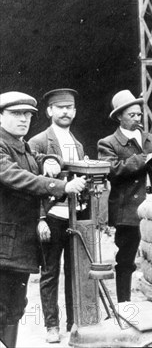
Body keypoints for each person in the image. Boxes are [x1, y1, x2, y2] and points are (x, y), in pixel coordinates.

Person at [0, 91, 86, 348]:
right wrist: (59, 186)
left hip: (18, 246)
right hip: (5, 245)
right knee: (4, 306)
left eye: (27, 114)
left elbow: (35, 159)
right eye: (16, 114)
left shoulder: (21, 145)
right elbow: (14, 176)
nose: (24, 119)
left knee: (15, 307)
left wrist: (48, 158)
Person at [97, 90, 152, 303]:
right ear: (119, 117)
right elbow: (111, 170)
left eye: (139, 114)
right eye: (131, 115)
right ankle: (124, 305)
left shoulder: (151, 139)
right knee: (126, 259)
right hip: (129, 210)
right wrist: (144, 159)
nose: (137, 119)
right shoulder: (108, 143)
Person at [28, 89, 85, 343]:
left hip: (76, 217)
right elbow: (33, 184)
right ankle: (52, 325)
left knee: (75, 271)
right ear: (49, 111)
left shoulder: (78, 143)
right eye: (60, 107)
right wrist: (40, 218)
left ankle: (74, 322)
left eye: (70, 107)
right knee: (50, 272)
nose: (65, 112)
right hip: (51, 216)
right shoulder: (38, 142)